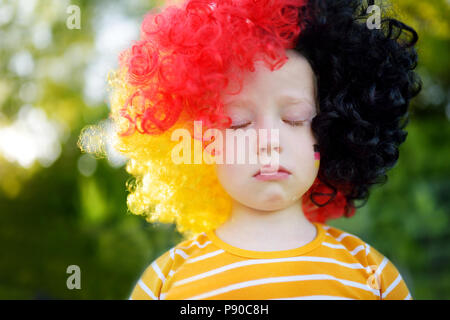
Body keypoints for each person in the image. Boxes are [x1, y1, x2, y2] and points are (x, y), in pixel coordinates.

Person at [82, 0, 422, 300]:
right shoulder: (166, 280)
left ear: (331, 133)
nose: (268, 139)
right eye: (239, 123)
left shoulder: (372, 275)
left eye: (295, 118)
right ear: (203, 141)